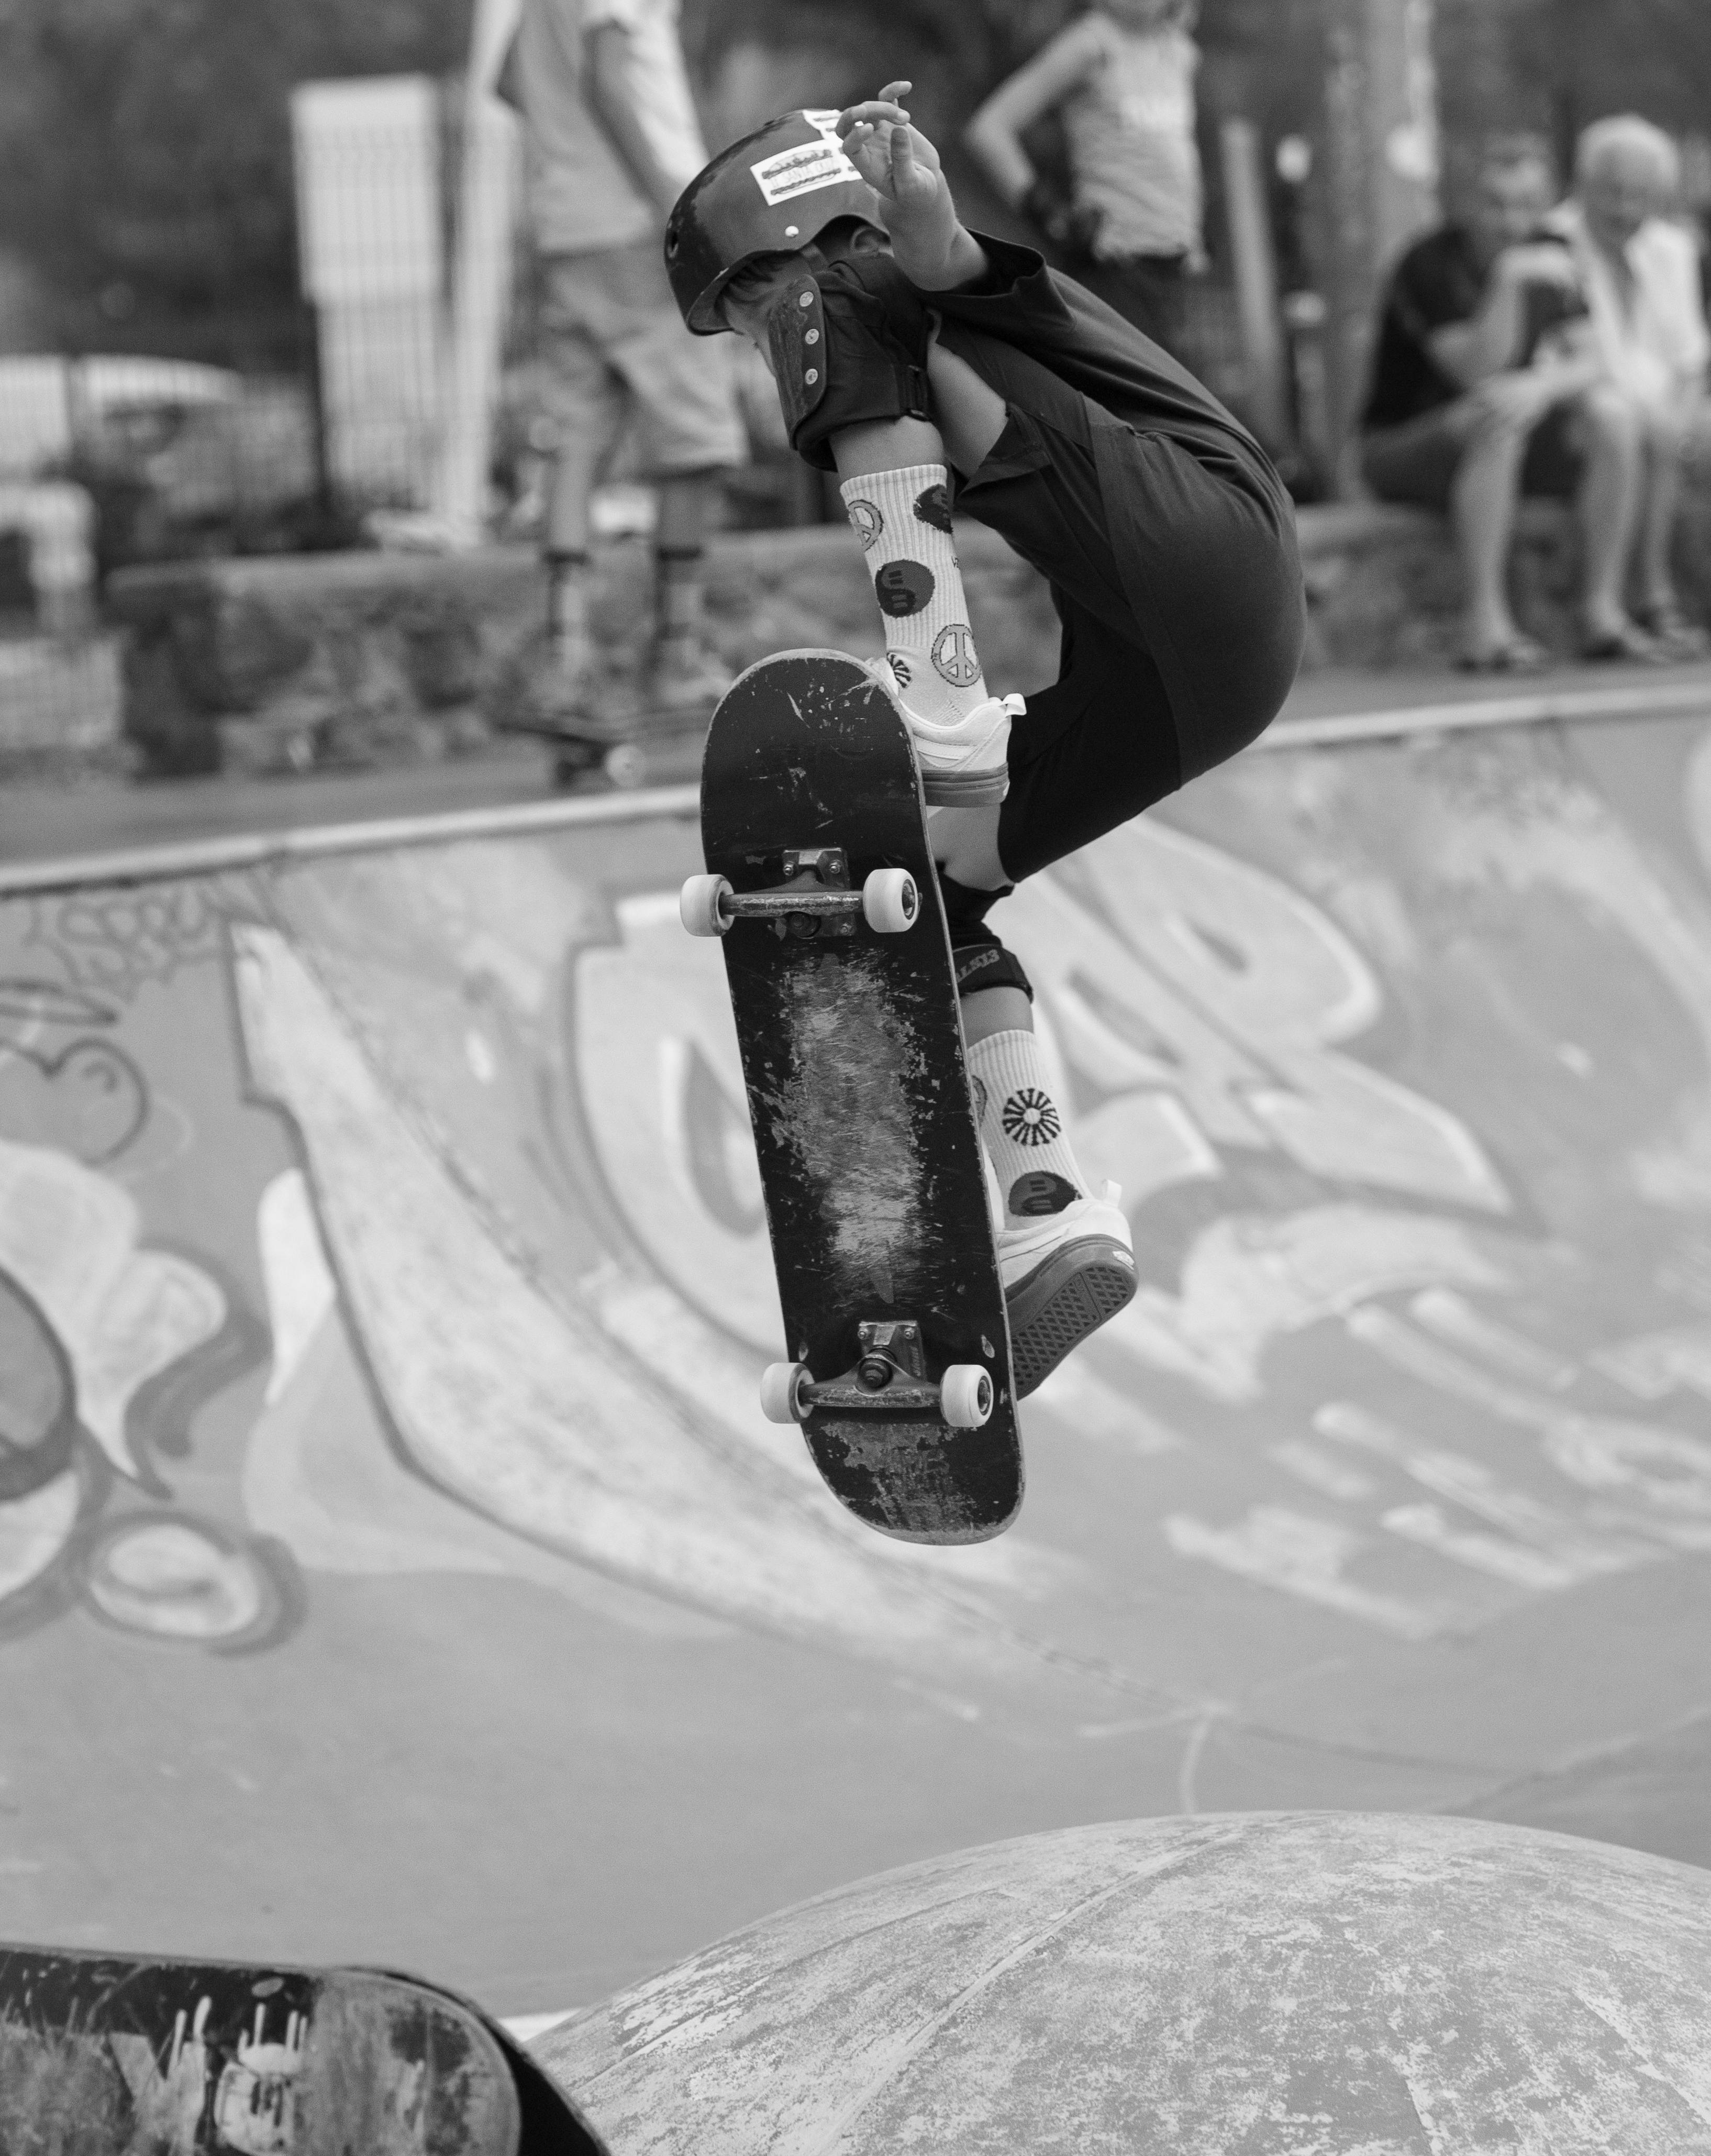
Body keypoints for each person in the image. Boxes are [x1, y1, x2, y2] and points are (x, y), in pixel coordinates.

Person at [663, 91, 1303, 1395]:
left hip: (1204, 541)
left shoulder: (882, 275)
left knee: (847, 307)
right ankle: (1053, 1203)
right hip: (1202, 673)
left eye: (738, 317)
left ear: (767, 256)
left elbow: (941, 259)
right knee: (942, 891)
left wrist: (917, 217)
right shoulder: (916, 318)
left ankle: (942, 707)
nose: (754, 354)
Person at [499, 0, 747, 729]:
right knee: (696, 438)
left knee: (575, 440)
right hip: (639, 231)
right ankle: (675, 653)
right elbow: (605, 75)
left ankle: (563, 655)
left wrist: (571, 160)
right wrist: (678, 201)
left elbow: (510, 80)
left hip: (567, 227)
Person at [1360, 132, 1629, 671]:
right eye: (1496, 205)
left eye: (1526, 206)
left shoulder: (1554, 250)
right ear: (1465, 202)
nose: (1511, 222)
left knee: (1613, 417)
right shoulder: (1428, 263)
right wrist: (1507, 280)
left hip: (1501, 439)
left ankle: (1602, 609)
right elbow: (1475, 371)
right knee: (1494, 415)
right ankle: (1484, 626)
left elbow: (1595, 361)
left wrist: (1541, 387)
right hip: (1400, 447)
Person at [1546, 116, 1711, 659]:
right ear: (1582, 184)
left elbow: (1689, 358)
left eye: (1637, 195)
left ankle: (1657, 593)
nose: (1622, 209)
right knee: (1624, 420)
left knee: (1664, 426)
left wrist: (1681, 412)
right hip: (1581, 405)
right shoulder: (1553, 244)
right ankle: (1626, 599)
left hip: (1659, 405)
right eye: (1610, 192)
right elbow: (1569, 359)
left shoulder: (1672, 249)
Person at [963, 0, 1204, 356]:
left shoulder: (1179, 51)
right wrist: (1046, 212)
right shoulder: (1092, 45)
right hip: (1116, 264)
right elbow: (990, 128)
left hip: (1174, 266)